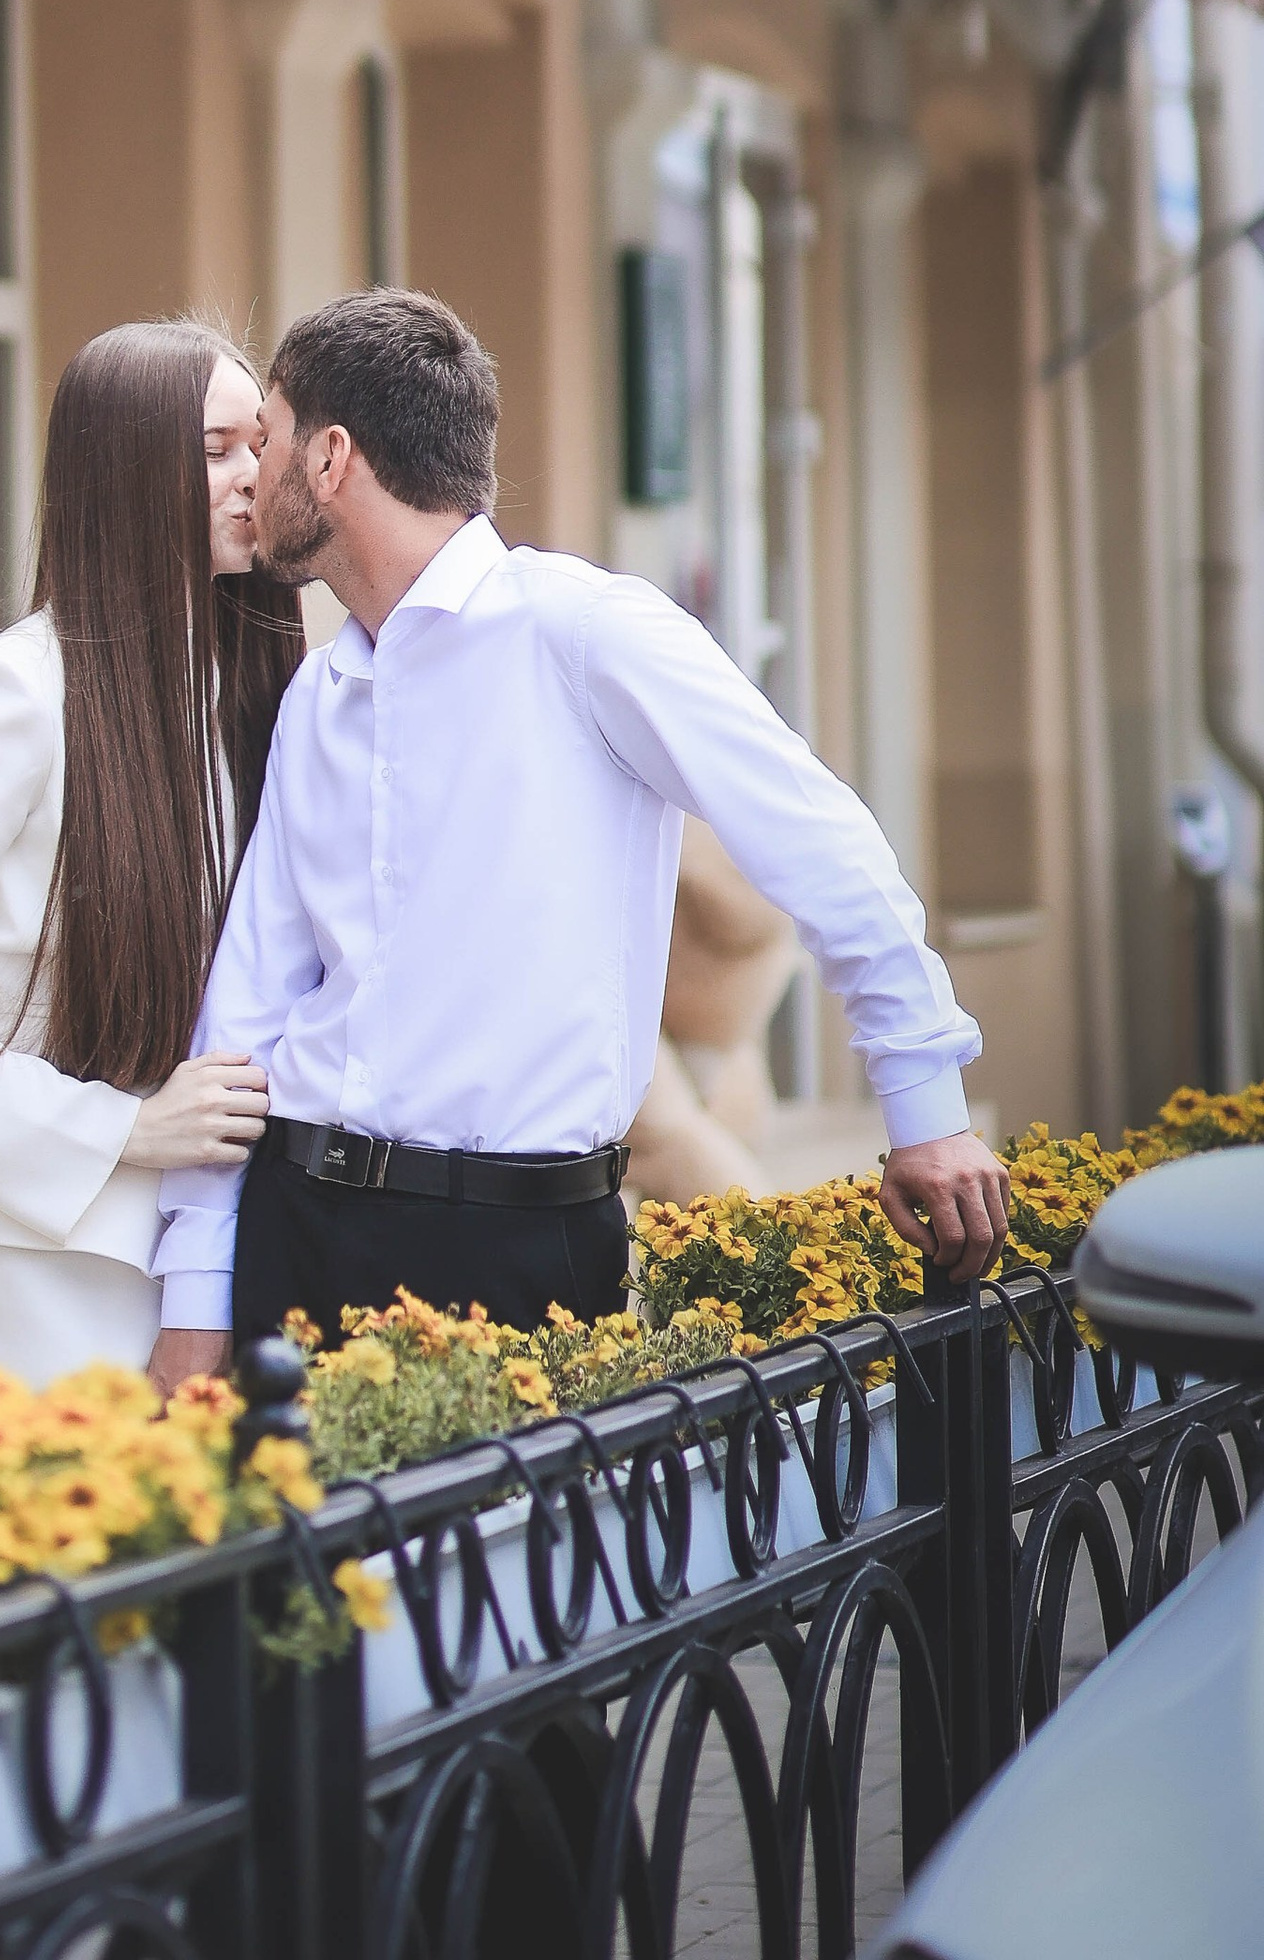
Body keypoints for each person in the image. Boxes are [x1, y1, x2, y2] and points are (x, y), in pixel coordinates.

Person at [149, 289, 1011, 1379]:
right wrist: (198, 1291)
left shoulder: (587, 632)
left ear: (327, 459)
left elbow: (817, 838)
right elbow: (250, 1004)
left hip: (514, 1250)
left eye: (262, 441)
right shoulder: (320, 693)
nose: (248, 478)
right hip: (293, 1231)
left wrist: (925, 1104)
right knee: (284, 1557)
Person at [0, 321, 303, 1385]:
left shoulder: (258, 697)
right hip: (48, 1257)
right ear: (125, 470)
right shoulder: (14, 691)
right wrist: (120, 1131)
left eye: (259, 444)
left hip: (226, 1244)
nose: (252, 477)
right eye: (214, 449)